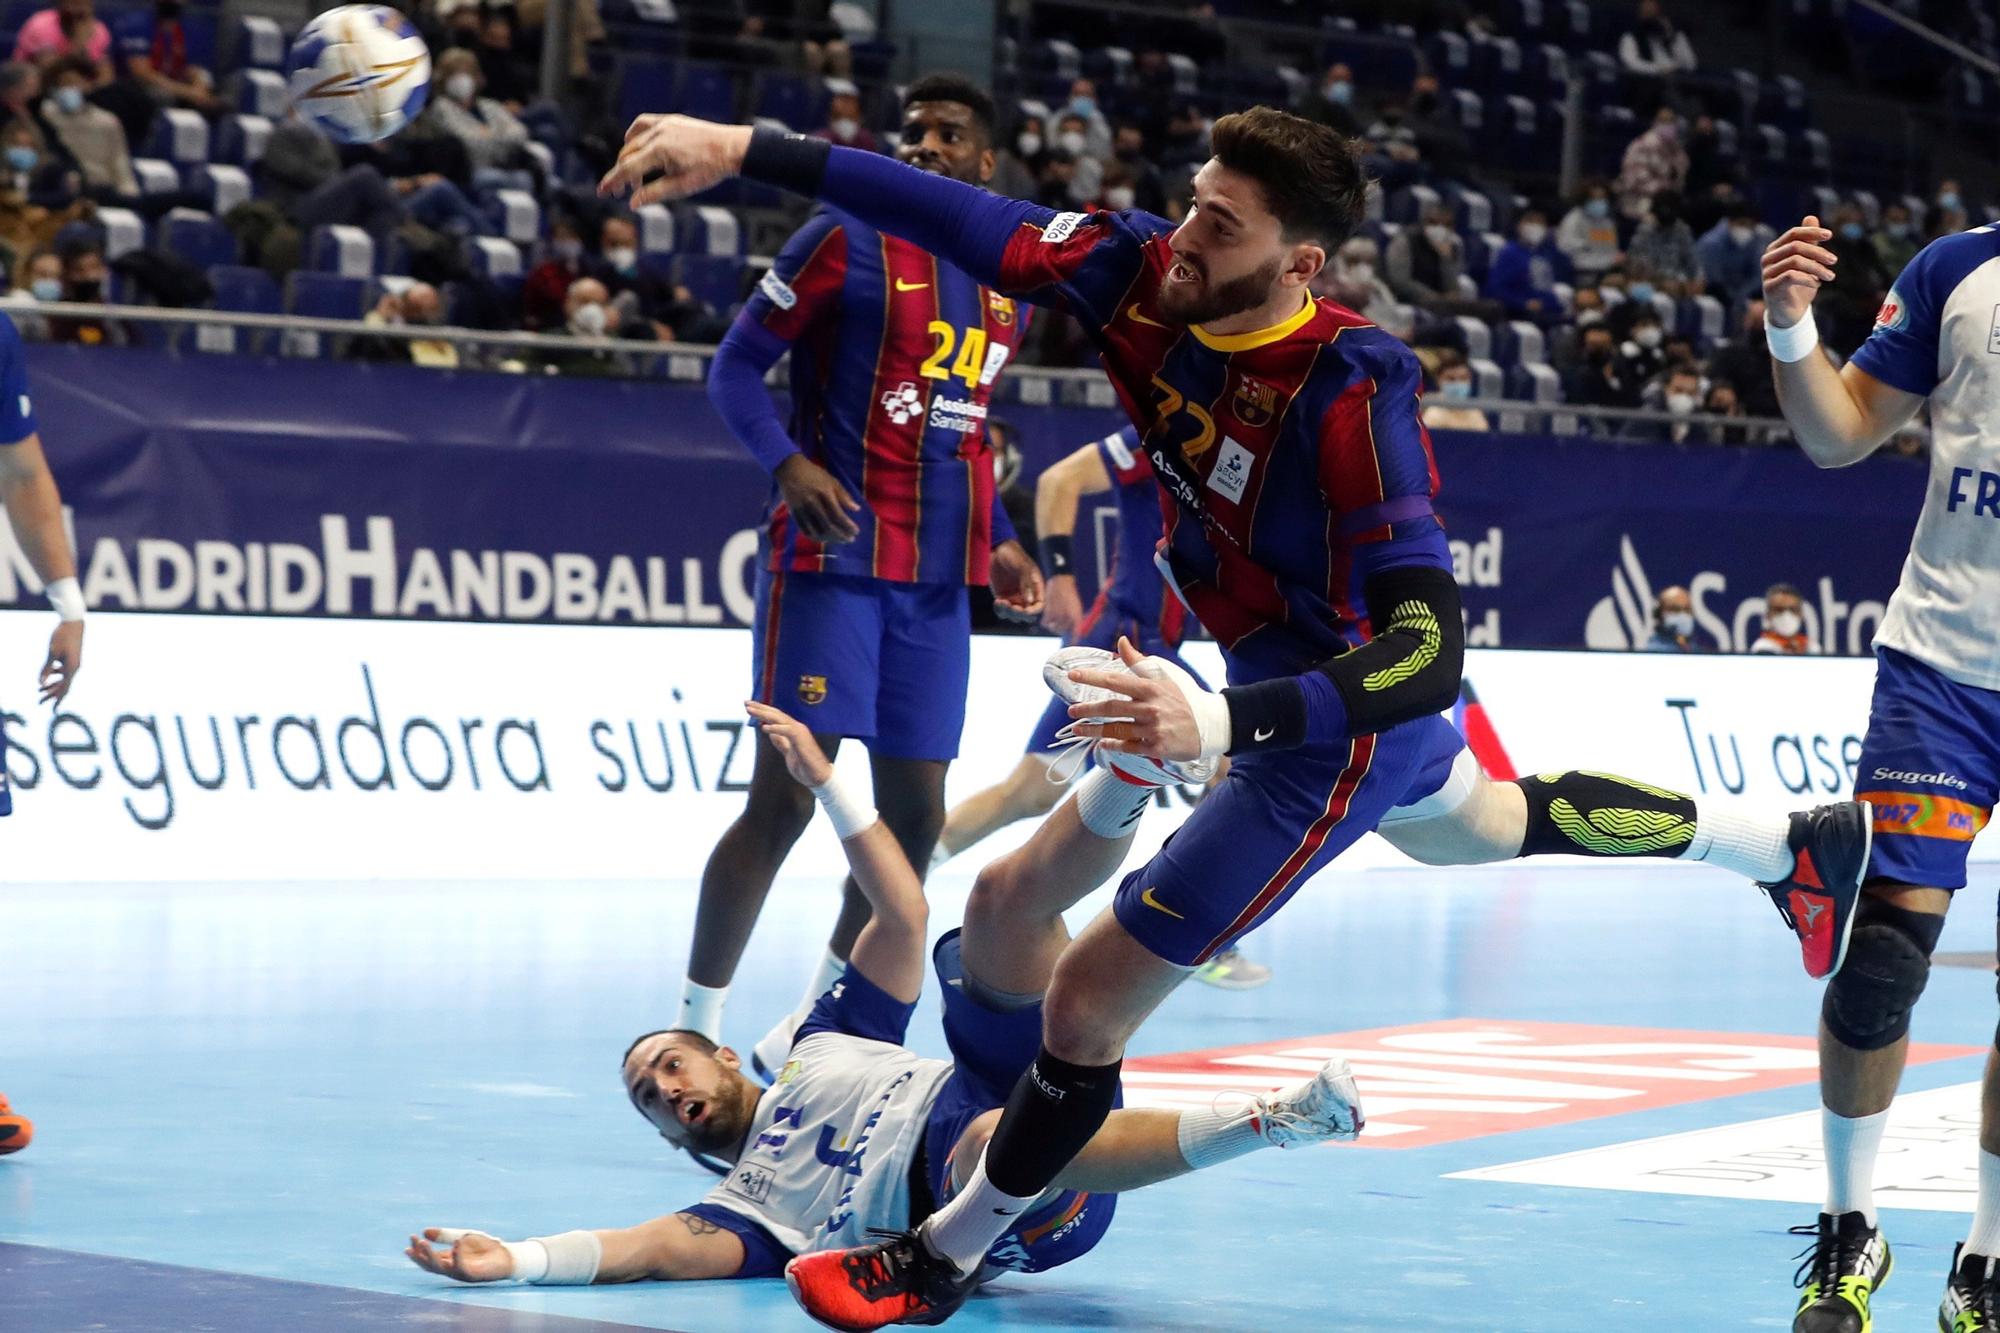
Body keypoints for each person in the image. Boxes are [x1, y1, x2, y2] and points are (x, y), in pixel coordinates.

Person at [602, 105, 1877, 1327]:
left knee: (1085, 1002)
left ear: (1295, 260)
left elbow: (1428, 650)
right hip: (1264, 675)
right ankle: (1785, 845)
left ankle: (939, 1256)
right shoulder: (1129, 273)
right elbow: (947, 210)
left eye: (1221, 226)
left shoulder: (1350, 385)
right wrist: (742, 149)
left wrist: (1222, 727)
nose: (1186, 240)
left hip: (1329, 722)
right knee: (1475, 822)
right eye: (1192, 206)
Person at [403, 702, 1360, 1291]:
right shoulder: (744, 1212)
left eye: (666, 1060)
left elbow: (902, 911)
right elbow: (642, 1249)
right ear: (668, 1135)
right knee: (1001, 1143)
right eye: (649, 1094)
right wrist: (521, 1260)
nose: (662, 1084)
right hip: (975, 1197)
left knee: (989, 906)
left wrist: (828, 786)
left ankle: (1131, 774)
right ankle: (1276, 1120)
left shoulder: (824, 1037)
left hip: (976, 1077)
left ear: (725, 1053)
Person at [675, 73, 1044, 1079]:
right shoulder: (842, 235)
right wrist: (787, 466)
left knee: (914, 823)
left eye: (947, 134)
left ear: (984, 160)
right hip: (832, 566)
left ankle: (809, 1031)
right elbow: (732, 370)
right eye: (912, 130)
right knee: (784, 804)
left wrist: (1002, 537)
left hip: (936, 588)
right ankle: (691, 1024)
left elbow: (959, 432)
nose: (924, 145)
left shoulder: (1006, 286)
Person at [1752, 208, 2000, 1326]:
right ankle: (1849, 1230)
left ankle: (1985, 1260)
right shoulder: (1959, 269)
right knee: (1883, 963)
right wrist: (1788, 325)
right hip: (1942, 671)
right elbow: (1836, 433)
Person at [934, 424, 1269, 991]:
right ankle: (1200, 931)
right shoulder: (1165, 433)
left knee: (1029, 791)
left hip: (1142, 638)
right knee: (1232, 760)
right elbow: (1060, 480)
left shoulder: (1235, 459)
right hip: (1130, 640)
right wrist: (1061, 576)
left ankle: (903, 868)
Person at [1484, 206, 1571, 323]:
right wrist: (1523, 303)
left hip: (1546, 310)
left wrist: (1550, 305)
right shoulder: (1510, 253)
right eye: (1530, 221)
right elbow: (1496, 289)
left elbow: (1548, 289)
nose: (1535, 226)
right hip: (1519, 311)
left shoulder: (1547, 255)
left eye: (1540, 222)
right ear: (1519, 225)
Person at [1617, 108, 1688, 221]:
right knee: (1653, 216)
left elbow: (1680, 176)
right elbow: (1635, 179)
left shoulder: (1677, 149)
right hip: (1640, 198)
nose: (1668, 126)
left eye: (1671, 122)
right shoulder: (1642, 145)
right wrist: (1662, 190)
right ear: (1656, 123)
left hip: (1669, 199)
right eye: (1664, 121)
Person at [1625, 191, 1700, 297]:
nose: (1666, 214)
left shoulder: (1683, 231)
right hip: (1650, 284)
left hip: (1678, 285)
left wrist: (1689, 283)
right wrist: (1658, 282)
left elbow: (1693, 265)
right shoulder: (1644, 231)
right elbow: (1635, 264)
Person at [11, 0, 109, 82]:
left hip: (79, 86)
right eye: (74, 4)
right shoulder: (41, 24)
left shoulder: (99, 29)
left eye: (84, 5)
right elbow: (47, 69)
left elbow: (103, 72)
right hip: (32, 82)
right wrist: (78, 41)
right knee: (68, 77)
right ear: (61, 3)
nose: (79, 10)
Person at [1695, 201, 1768, 301]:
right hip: (1714, 294)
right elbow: (1714, 281)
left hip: (1744, 295)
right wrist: (1736, 300)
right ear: (1730, 221)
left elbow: (1758, 275)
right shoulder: (1711, 243)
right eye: (1742, 224)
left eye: (1750, 225)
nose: (1746, 229)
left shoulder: (1754, 239)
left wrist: (1743, 297)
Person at [1556, 179, 1623, 282]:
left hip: (1605, 273)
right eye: (1594, 198)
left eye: (1602, 198)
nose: (1599, 202)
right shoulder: (1573, 220)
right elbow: (1566, 250)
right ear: (1584, 199)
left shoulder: (1607, 222)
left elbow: (1611, 249)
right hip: (1580, 274)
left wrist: (1614, 260)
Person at [1617, 0, 1696, 79]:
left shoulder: (1675, 35)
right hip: (1648, 82)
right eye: (1647, 13)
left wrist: (1671, 37)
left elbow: (1690, 65)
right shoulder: (1630, 37)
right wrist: (1658, 69)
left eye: (1653, 13)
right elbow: (1631, 63)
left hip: (1678, 81)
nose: (1650, 17)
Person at [810, 79, 877, 155]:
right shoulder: (820, 139)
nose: (846, 106)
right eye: (843, 100)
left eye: (850, 101)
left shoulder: (866, 141)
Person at [1421, 355, 1488, 432]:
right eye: (1451, 379)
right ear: (1438, 381)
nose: (1457, 383)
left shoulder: (1475, 413)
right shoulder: (1433, 412)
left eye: (1463, 378)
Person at [1294, 62, 1362, 137]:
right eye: (1337, 80)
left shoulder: (1353, 113)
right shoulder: (1312, 103)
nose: (1341, 85)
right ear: (1327, 80)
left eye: (1346, 81)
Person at [1747, 581, 1812, 655]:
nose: (1786, 616)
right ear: (1768, 615)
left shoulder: (1812, 647)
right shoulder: (1762, 648)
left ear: (1801, 614)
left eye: (1793, 610)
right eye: (1779, 610)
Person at [1643, 585, 1710, 651]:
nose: (1683, 615)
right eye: (1675, 609)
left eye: (1687, 610)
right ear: (1659, 614)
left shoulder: (1696, 650)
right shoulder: (1654, 651)